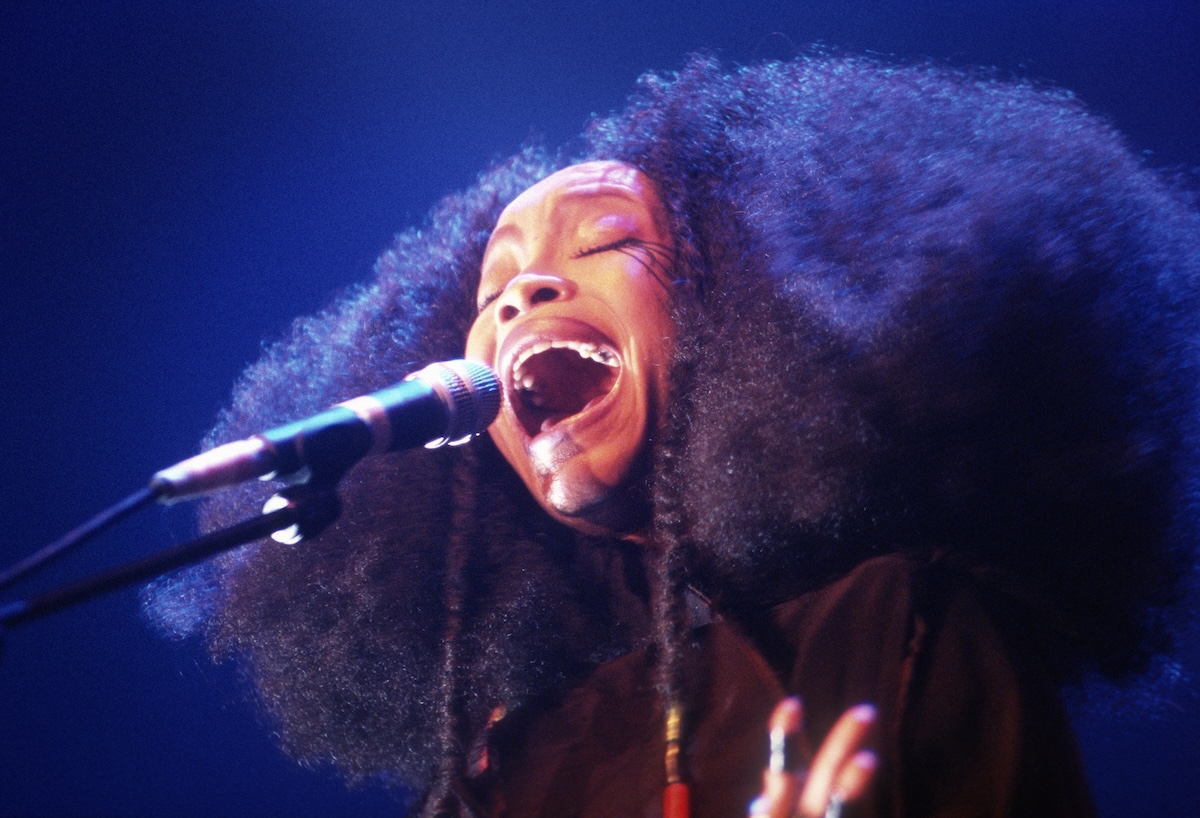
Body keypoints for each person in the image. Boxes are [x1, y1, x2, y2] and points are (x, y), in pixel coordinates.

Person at [146, 56, 1200, 817]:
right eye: (493, 286)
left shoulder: (904, 628)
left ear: (750, 312)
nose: (523, 295)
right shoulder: (500, 773)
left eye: (604, 241)